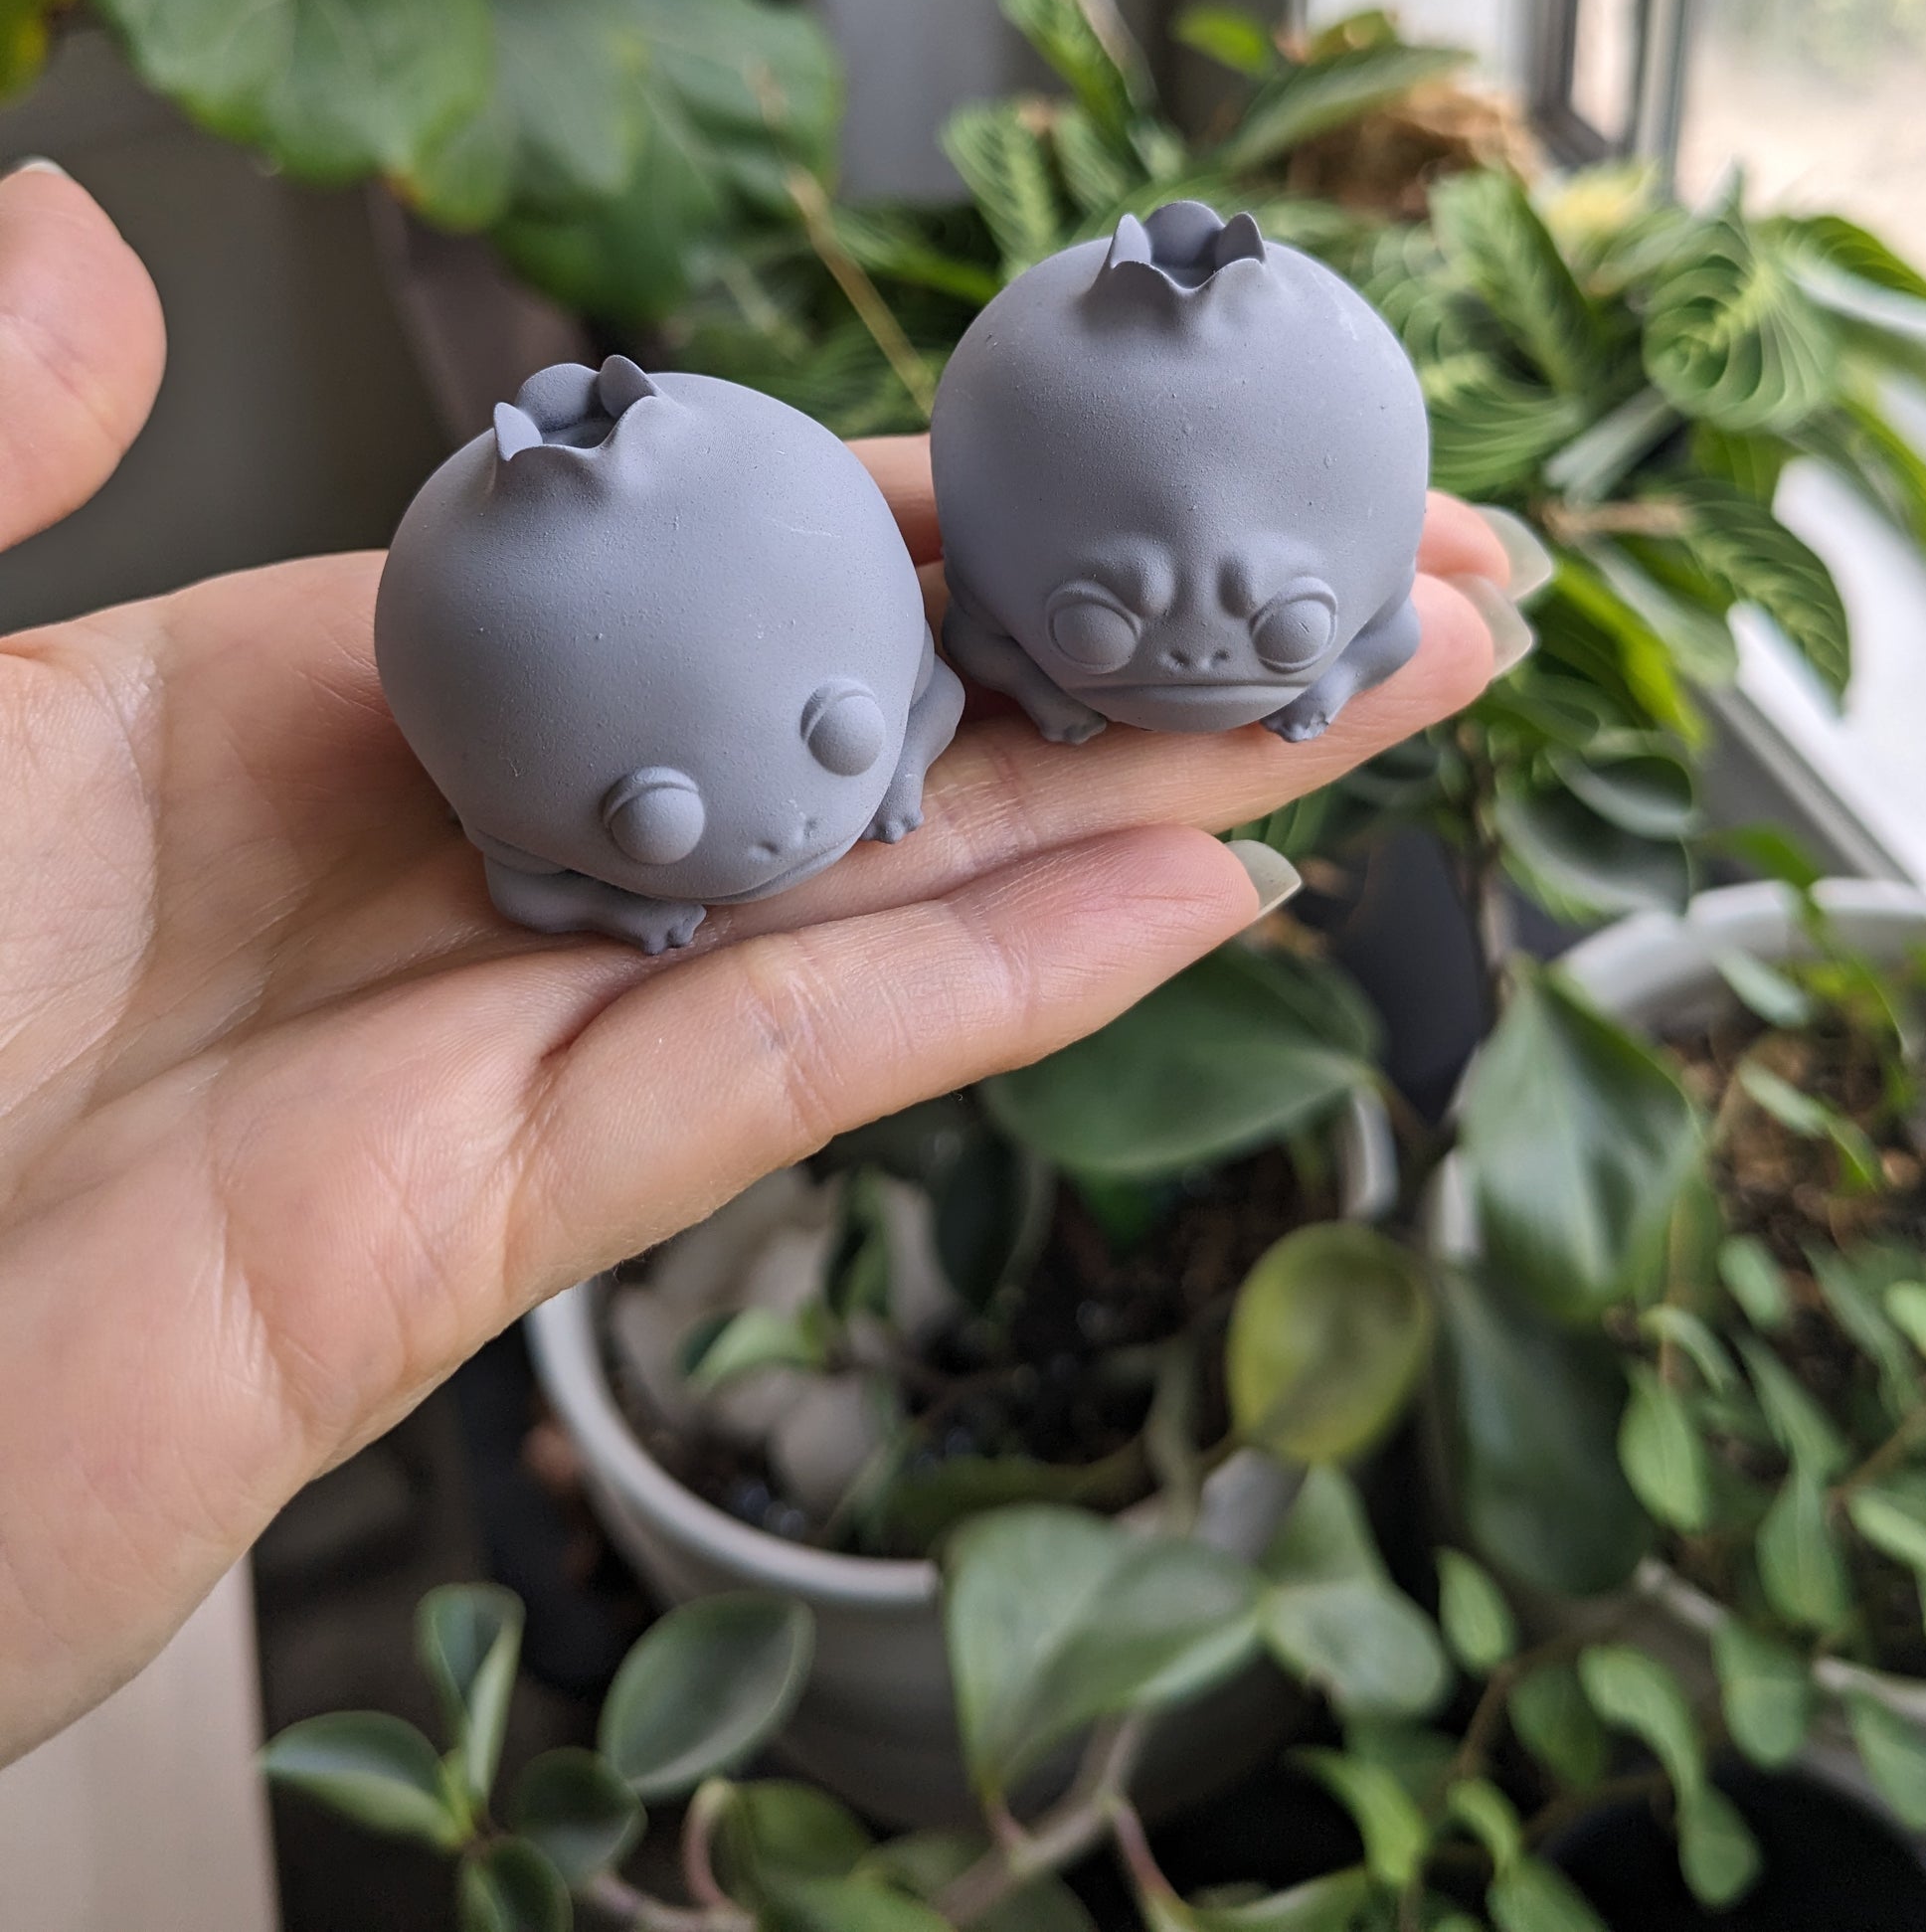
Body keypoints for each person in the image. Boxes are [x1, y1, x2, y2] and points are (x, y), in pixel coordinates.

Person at [0, 163, 1521, 1761]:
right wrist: (657, 869)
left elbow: (967, 666)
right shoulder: (502, 655)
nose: (780, 820)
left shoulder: (946, 539)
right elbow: (535, 864)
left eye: (834, 737)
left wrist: (930, 733)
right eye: (653, 817)